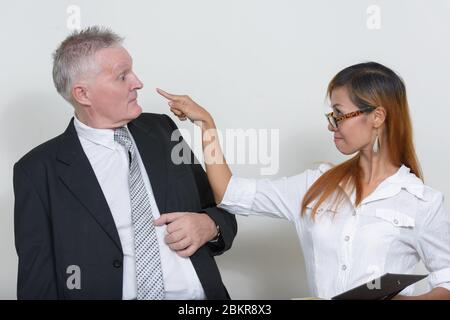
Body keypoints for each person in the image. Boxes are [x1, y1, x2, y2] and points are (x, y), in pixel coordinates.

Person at [157, 62, 450, 299]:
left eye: (339, 115)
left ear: (377, 117)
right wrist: (206, 124)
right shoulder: (316, 185)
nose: (330, 125)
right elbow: (229, 193)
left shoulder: (423, 202)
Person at [13, 26, 237, 300]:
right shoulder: (37, 171)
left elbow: (223, 208)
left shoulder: (164, 131)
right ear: (83, 94)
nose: (138, 82)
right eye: (122, 76)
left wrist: (209, 225)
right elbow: (37, 281)